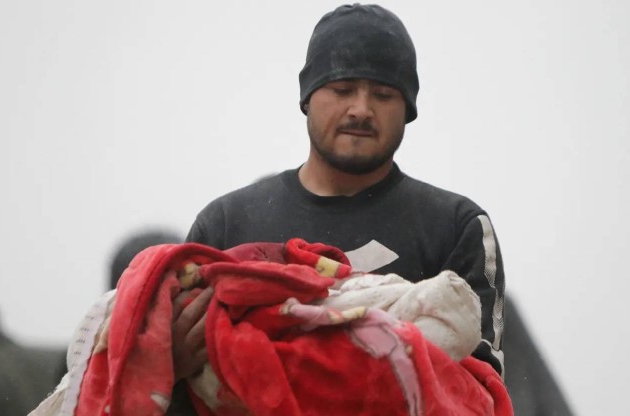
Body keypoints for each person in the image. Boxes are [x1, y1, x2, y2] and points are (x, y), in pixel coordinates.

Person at [171, 4, 506, 411]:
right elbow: (165, 384)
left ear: (409, 109)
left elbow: (478, 392)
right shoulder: (226, 224)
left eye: (383, 94)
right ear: (308, 98)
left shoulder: (456, 227)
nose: (361, 110)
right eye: (342, 89)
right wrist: (174, 362)